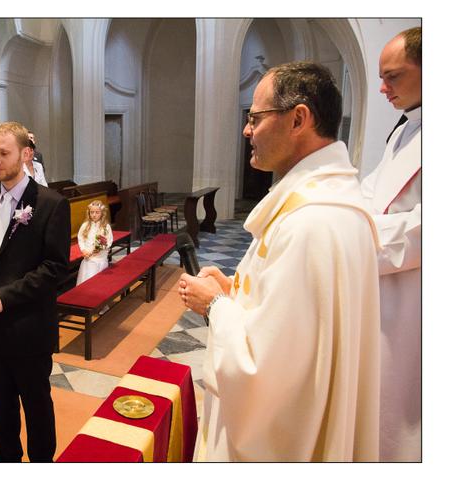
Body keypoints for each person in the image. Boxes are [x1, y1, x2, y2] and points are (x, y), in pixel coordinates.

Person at [179, 62, 381, 461]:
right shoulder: (335, 201)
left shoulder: (310, 222)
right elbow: (299, 327)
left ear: (298, 119)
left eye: (255, 118)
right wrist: (235, 291)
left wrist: (214, 305)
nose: (246, 130)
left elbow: (264, 375)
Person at [0, 121, 70, 462]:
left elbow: (54, 267)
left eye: (3, 153)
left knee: (37, 406)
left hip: (29, 326)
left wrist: (5, 297)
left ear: (26, 154)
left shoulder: (51, 203)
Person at [360, 26, 421, 462]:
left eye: (393, 76)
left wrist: (358, 236)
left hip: (416, 298)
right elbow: (372, 190)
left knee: (404, 409)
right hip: (380, 285)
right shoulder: (404, 130)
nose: (383, 88)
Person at [76, 200, 113, 285]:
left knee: (99, 283)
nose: (94, 215)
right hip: (89, 258)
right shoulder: (85, 225)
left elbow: (109, 241)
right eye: (92, 212)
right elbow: (80, 238)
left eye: (97, 212)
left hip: (100, 258)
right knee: (88, 281)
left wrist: (100, 247)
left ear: (102, 213)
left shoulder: (106, 227)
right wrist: (83, 250)